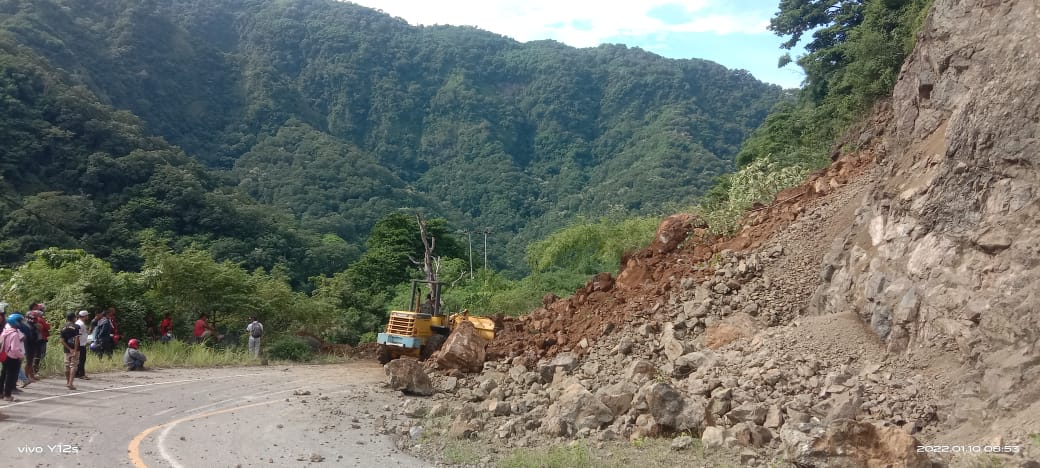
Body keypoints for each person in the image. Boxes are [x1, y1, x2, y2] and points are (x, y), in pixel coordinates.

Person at [1, 313, 27, 401]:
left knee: (4, 375)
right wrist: (21, 355)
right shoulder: (15, 334)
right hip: (12, 357)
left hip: (5, 356)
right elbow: (15, 349)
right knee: (10, 376)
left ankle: (2, 393)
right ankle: (7, 395)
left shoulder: (5, 331)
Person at [60, 312, 80, 390]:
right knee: (73, 365)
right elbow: (76, 339)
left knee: (67, 365)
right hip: (75, 349)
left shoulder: (63, 327)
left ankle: (68, 382)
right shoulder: (76, 327)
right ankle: (70, 383)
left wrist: (69, 348)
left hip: (67, 349)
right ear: (74, 318)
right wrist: (74, 350)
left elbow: (62, 340)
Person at [75, 310, 91, 379]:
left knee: (79, 359)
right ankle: (81, 374)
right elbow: (78, 335)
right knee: (82, 359)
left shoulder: (78, 322)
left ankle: (77, 373)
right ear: (84, 316)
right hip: (81, 344)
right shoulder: (81, 324)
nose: (88, 316)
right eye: (87, 315)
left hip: (80, 343)